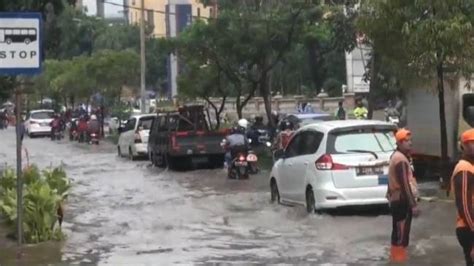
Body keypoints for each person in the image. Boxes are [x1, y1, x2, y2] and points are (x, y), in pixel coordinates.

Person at [387, 128, 420, 263]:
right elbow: (405, 184)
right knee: (401, 234)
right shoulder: (400, 160)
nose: (410, 143)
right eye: (406, 141)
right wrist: (413, 205)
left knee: (398, 233)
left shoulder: (396, 156)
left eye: (410, 140)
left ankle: (396, 259)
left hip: (397, 200)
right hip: (402, 201)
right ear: (399, 143)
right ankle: (399, 261)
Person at [451, 129, 474, 266]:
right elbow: (464, 205)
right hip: (468, 228)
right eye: (471, 143)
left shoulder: (470, 167)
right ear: (463, 146)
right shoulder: (464, 169)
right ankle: (397, 259)